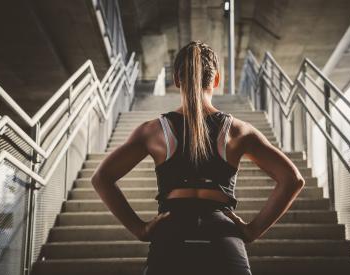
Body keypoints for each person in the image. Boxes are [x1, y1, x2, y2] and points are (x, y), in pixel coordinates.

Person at [91, 40, 306, 275]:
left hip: (170, 236)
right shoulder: (238, 131)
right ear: (216, 80)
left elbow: (101, 178)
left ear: (176, 80)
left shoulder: (152, 131)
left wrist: (140, 229)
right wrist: (251, 231)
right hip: (222, 238)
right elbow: (292, 179)